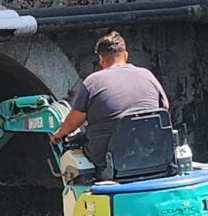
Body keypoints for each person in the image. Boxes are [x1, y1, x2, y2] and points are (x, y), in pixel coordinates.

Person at [50, 31, 170, 169]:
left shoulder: (93, 82)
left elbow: (74, 121)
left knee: (74, 148)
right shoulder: (147, 75)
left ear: (101, 59)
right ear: (125, 55)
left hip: (107, 158)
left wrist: (58, 134)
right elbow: (164, 107)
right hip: (152, 152)